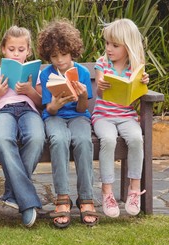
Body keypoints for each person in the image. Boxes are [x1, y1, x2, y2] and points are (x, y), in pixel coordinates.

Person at [37, 19, 98, 228]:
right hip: (54, 117)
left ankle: (86, 197)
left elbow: (83, 110)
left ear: (72, 51)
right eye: (54, 56)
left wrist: (81, 97)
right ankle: (62, 197)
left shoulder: (81, 72)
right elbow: (49, 110)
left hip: (78, 117)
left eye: (63, 54)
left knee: (82, 140)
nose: (60, 60)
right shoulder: (46, 74)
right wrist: (55, 104)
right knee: (58, 139)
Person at [0, 26, 45, 227]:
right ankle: (27, 201)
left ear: (28, 51)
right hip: (4, 111)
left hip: (28, 110)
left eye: (21, 50)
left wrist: (29, 91)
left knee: (37, 138)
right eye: (12, 49)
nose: (16, 54)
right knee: (2, 139)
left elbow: (40, 103)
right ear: (3, 49)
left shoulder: (34, 73)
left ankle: (13, 193)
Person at [92, 18, 149, 218]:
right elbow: (99, 94)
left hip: (126, 116)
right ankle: (107, 192)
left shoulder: (135, 66)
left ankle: (134, 189)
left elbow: (139, 92)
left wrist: (143, 83)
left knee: (136, 138)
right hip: (103, 116)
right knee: (107, 139)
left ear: (128, 46)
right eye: (107, 43)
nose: (109, 48)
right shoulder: (102, 63)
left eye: (115, 45)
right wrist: (101, 87)